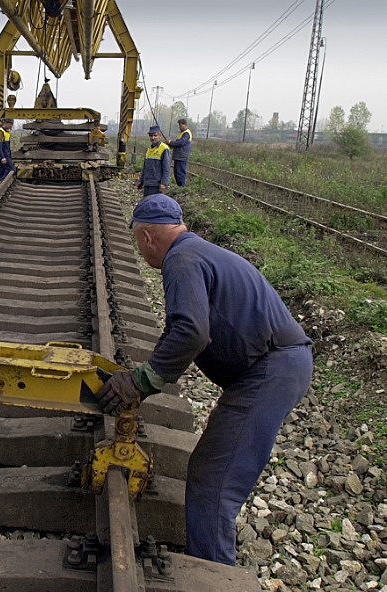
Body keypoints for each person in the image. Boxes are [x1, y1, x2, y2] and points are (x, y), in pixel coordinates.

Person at [97, 194, 312, 566]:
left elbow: (192, 332)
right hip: (274, 366)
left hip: (270, 370)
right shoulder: (196, 251)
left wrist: (140, 382)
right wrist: (142, 378)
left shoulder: (180, 259)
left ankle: (217, 580)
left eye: (138, 242)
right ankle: (213, 563)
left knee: (213, 482)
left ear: (147, 238)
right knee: (211, 473)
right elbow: (184, 331)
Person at [137, 125, 171, 197]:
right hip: (147, 184)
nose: (153, 138)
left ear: (160, 135)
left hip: (156, 185)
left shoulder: (164, 149)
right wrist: (141, 181)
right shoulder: (149, 149)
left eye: (155, 135)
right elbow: (145, 168)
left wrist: (164, 183)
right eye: (151, 136)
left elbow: (166, 168)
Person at [166, 119, 193, 187]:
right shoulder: (181, 134)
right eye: (179, 125)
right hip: (178, 156)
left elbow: (181, 142)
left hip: (182, 156)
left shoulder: (187, 133)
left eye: (181, 125)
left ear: (185, 125)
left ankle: (181, 187)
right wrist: (171, 145)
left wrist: (171, 142)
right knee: (176, 172)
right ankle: (179, 186)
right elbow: (178, 143)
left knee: (180, 173)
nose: (179, 127)